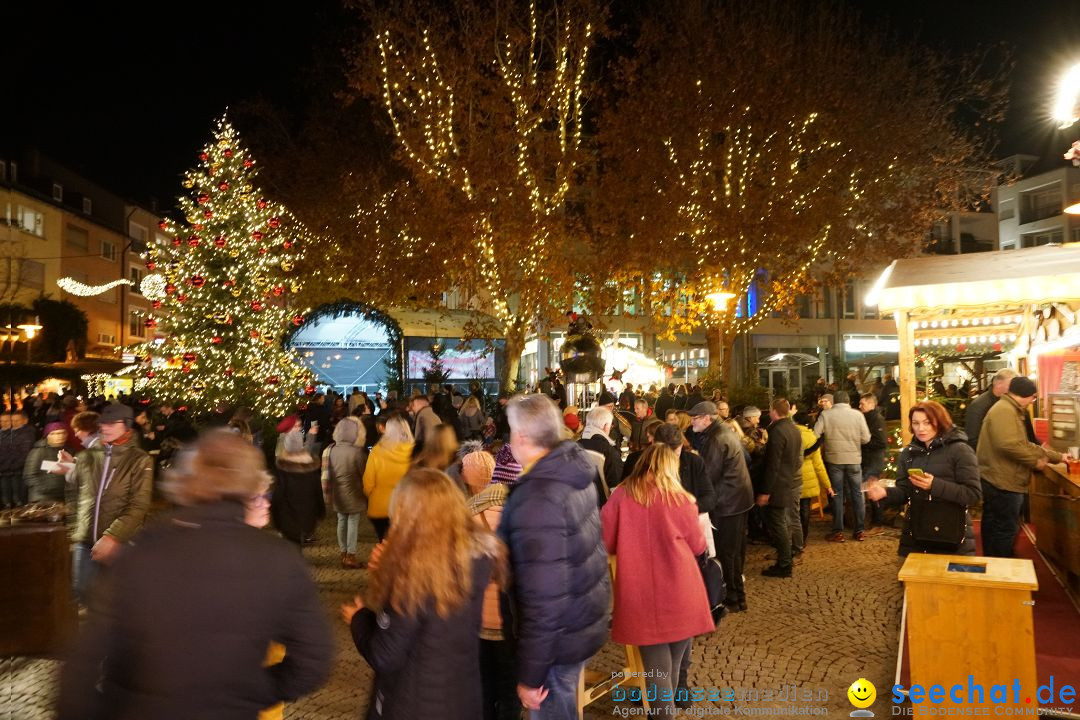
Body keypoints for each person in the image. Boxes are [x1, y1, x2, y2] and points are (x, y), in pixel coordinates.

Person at [58, 430, 333, 719]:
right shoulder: (279, 559)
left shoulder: (141, 554)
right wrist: (251, 691)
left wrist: (104, 708)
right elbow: (313, 660)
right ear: (250, 484)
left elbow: (84, 658)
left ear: (187, 482)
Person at [342, 468, 505, 720]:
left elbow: (384, 654)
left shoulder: (412, 574)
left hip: (413, 703)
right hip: (462, 697)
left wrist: (359, 618)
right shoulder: (476, 558)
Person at [498, 394, 610, 718]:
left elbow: (544, 598)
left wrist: (531, 675)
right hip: (576, 624)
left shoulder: (539, 497)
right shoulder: (571, 470)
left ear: (520, 436)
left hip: (556, 643)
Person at [601, 444, 714, 716]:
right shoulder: (682, 499)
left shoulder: (622, 496)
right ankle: (664, 713)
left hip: (640, 590)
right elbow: (699, 546)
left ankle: (662, 714)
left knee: (655, 667)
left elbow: (605, 540)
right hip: (682, 587)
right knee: (674, 662)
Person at [866, 401, 982, 555]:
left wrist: (934, 485)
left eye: (927, 423)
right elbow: (905, 491)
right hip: (916, 533)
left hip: (951, 532)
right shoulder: (908, 453)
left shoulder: (960, 450)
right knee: (911, 578)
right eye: (916, 423)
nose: (921, 428)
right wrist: (885, 493)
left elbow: (973, 494)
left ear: (940, 421)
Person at [70, 403, 153, 608]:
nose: (104, 428)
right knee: (83, 591)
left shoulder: (140, 460)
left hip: (119, 541)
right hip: (85, 539)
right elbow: (79, 492)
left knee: (118, 598)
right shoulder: (86, 456)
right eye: (102, 424)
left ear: (126, 425)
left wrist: (113, 536)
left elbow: (139, 505)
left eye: (111, 423)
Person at [976, 376, 1067, 557]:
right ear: (1027, 396)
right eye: (1033, 398)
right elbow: (1010, 445)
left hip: (999, 477)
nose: (1032, 402)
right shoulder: (1005, 411)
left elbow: (1022, 444)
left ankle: (996, 563)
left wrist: (1056, 457)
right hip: (1002, 480)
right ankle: (1002, 567)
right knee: (1003, 528)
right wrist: (1035, 462)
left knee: (995, 525)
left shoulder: (1008, 409)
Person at [462, 450, 520, 720]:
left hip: (476, 621)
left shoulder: (465, 519)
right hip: (511, 622)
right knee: (510, 692)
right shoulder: (522, 518)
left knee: (483, 688)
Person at [689, 401, 753, 612]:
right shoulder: (722, 433)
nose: (692, 422)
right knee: (732, 552)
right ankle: (737, 597)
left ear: (707, 418)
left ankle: (733, 598)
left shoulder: (717, 438)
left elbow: (708, 475)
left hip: (729, 503)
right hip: (736, 500)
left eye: (695, 417)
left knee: (727, 553)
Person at [814, 390, 871, 542]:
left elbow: (815, 434)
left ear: (834, 402)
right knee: (858, 494)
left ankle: (838, 532)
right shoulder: (858, 415)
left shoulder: (826, 415)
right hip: (854, 460)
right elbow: (866, 438)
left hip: (834, 461)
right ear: (848, 401)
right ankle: (859, 531)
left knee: (837, 495)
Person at [757, 399, 804, 578]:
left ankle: (784, 564)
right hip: (787, 481)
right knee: (781, 522)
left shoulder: (777, 431)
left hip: (777, 485)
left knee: (778, 524)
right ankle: (785, 560)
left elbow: (772, 465)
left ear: (774, 411)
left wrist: (765, 491)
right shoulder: (793, 429)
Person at [323, 416, 369, 569]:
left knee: (341, 520)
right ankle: (351, 554)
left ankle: (343, 552)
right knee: (353, 521)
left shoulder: (331, 449)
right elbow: (363, 473)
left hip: (337, 491)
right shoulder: (357, 452)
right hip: (354, 490)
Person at [272, 416, 323, 548]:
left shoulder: (290, 446)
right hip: (297, 509)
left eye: (300, 426)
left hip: (292, 511)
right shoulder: (285, 444)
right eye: (296, 426)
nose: (299, 429)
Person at [363, 413, 415, 541]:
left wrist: (369, 495)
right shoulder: (414, 451)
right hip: (407, 506)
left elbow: (368, 482)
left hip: (381, 506)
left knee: (384, 543)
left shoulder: (377, 451)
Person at [797, 414, 833, 543]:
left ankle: (792, 538)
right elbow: (819, 465)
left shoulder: (792, 434)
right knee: (805, 509)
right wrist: (828, 485)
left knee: (792, 510)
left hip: (793, 476)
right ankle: (803, 539)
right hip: (809, 478)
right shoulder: (812, 438)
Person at [964, 368, 1018, 452]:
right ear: (999, 383)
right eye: (1011, 385)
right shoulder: (979, 405)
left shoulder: (1005, 402)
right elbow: (973, 438)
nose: (1013, 389)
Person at [859, 392, 888, 536]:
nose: (860, 406)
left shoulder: (876, 419)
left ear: (872, 404)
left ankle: (878, 523)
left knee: (872, 491)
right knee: (869, 490)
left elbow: (882, 442)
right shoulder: (868, 418)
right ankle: (875, 521)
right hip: (869, 460)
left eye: (862, 404)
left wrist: (864, 443)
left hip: (874, 461)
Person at [579, 405, 622, 499]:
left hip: (577, 507)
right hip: (600, 508)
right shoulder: (609, 452)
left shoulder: (574, 446)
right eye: (610, 426)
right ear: (605, 426)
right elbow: (616, 490)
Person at [24, 422, 69, 503]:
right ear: (47, 435)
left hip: (64, 496)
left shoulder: (69, 451)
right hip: (42, 497)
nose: (60, 436)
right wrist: (44, 489)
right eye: (54, 434)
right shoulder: (38, 452)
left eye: (63, 433)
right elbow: (29, 475)